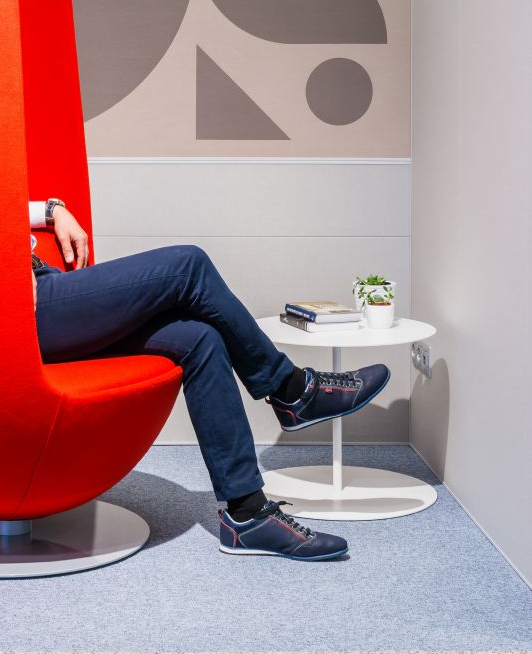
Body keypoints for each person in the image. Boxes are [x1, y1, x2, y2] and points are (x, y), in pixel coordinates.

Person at [28, 198, 389, 562]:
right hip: (27, 305)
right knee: (188, 265)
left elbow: (0, 208)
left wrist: (50, 210)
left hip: (46, 284)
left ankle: (247, 514)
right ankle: (292, 390)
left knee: (202, 338)